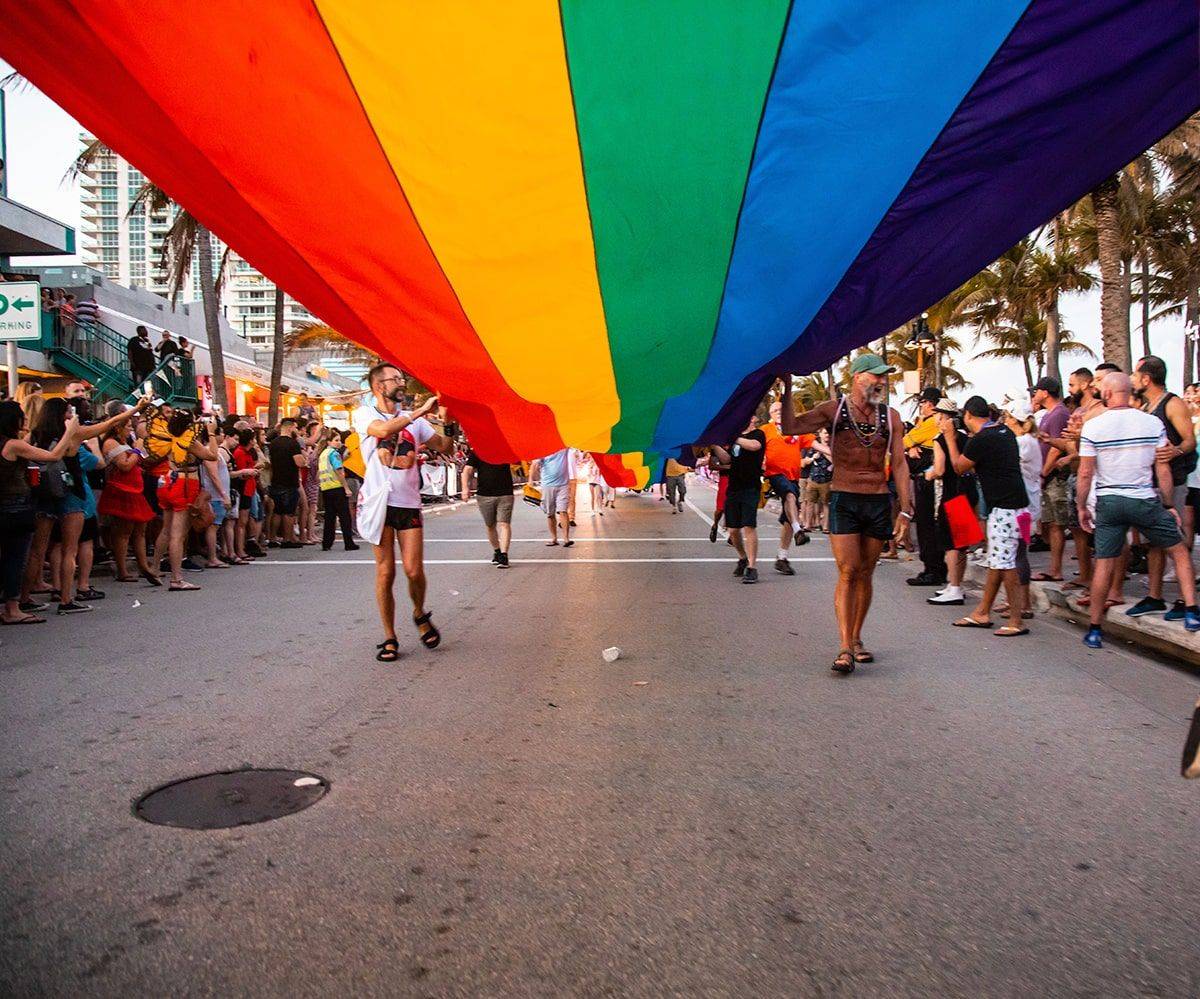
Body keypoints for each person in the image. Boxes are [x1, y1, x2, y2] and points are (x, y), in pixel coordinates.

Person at [782, 355, 913, 670]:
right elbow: (791, 426)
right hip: (844, 498)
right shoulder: (834, 410)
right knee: (848, 571)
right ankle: (843, 646)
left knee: (866, 573)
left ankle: (856, 638)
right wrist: (786, 389)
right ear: (857, 377)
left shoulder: (891, 416)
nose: (882, 381)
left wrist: (906, 511)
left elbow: (899, 464)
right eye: (876, 376)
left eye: (884, 377)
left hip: (878, 501)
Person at [1076, 372, 1200, 647]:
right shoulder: (1152, 423)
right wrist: (1168, 504)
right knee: (1179, 551)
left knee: (1104, 564)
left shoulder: (1094, 427)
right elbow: (1162, 468)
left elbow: (1085, 473)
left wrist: (1081, 506)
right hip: (1144, 498)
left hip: (1109, 500)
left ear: (1107, 394)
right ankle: (1191, 611)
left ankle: (1095, 629)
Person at [354, 363, 450, 662]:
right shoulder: (364, 413)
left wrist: (445, 421)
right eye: (393, 379)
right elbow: (381, 430)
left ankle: (420, 613)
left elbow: (443, 445)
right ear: (378, 387)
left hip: (408, 502)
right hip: (378, 503)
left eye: (400, 377)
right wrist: (420, 412)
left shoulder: (416, 423)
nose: (400, 382)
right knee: (386, 572)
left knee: (413, 570)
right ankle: (389, 636)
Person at [942, 396, 1032, 637]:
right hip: (1020, 506)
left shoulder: (982, 439)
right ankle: (982, 612)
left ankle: (1016, 620)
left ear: (969, 416)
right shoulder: (1004, 431)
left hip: (1004, 510)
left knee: (1006, 564)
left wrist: (951, 439)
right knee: (998, 561)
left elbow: (959, 467)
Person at [1127, 355, 1197, 618]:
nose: (1133, 379)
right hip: (1151, 485)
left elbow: (1189, 440)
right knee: (1153, 543)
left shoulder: (1172, 403)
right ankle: (1154, 596)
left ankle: (1183, 600)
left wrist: (1175, 451)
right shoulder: (1147, 406)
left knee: (1175, 541)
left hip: (1174, 482)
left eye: (1135, 374)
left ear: (1147, 378)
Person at [0, 401, 77, 624]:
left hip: (6, 505)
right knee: (15, 559)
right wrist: (70, 431)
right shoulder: (13, 445)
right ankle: (12, 608)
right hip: (15, 506)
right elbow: (52, 456)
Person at [925, 398, 976, 607]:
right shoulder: (965, 438)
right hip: (967, 491)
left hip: (951, 492)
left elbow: (940, 469)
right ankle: (956, 584)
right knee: (962, 542)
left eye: (937, 414)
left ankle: (954, 587)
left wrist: (928, 475)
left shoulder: (940, 439)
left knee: (951, 543)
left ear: (942, 416)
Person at [98, 422, 160, 585]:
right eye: (128, 427)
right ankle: (122, 570)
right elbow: (124, 465)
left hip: (135, 490)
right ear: (118, 428)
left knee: (140, 530)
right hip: (121, 490)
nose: (131, 429)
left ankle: (144, 566)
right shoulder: (111, 442)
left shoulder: (126, 443)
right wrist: (137, 449)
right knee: (124, 532)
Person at [904, 387, 947, 587]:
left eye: (922, 403)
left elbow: (905, 440)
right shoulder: (927, 422)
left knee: (927, 526)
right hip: (925, 480)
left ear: (929, 404)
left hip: (928, 480)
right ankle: (931, 567)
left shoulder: (931, 423)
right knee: (926, 524)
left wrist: (911, 445)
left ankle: (933, 569)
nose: (921, 407)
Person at [761, 400, 810, 575]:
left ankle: (782, 558)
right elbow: (758, 449)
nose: (779, 412)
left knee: (790, 517)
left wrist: (832, 454)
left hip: (793, 476)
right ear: (770, 415)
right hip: (775, 474)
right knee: (789, 496)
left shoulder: (795, 428)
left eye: (781, 409)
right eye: (774, 410)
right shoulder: (766, 430)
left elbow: (814, 444)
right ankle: (799, 530)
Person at [1031, 376, 1071, 581]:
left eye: (1037, 390)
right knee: (1048, 523)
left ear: (1045, 392)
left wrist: (1044, 473)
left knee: (1056, 524)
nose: (1035, 394)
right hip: (1046, 475)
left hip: (1054, 476)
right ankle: (1053, 567)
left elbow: (1057, 447)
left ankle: (1056, 569)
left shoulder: (1059, 414)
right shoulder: (1049, 414)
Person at [724, 414, 766, 584]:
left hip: (750, 487)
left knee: (749, 526)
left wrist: (733, 437)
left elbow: (755, 446)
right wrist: (714, 443)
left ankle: (752, 567)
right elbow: (727, 459)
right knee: (733, 530)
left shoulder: (758, 434)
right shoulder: (735, 438)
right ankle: (742, 558)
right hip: (733, 487)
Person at [462, 448, 515, 567]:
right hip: (484, 494)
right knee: (490, 525)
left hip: (505, 493)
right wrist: (465, 488)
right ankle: (497, 551)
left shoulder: (506, 448)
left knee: (504, 524)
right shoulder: (477, 450)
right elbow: (467, 469)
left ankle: (504, 555)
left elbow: (518, 460)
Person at [268, 418, 306, 548]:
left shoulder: (273, 443)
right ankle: (287, 538)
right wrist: (303, 458)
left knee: (277, 511)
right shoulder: (293, 443)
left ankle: (272, 538)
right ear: (290, 428)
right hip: (289, 480)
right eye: (295, 428)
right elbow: (299, 462)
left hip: (276, 479)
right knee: (289, 512)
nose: (296, 430)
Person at [318, 428, 358, 551]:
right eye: (336, 440)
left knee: (330, 516)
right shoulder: (334, 454)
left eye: (339, 440)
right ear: (329, 442)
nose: (339, 442)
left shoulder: (323, 453)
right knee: (344, 516)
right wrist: (346, 488)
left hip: (326, 487)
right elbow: (339, 471)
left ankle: (327, 543)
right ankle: (349, 543)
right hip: (336, 486)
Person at [529, 448, 576, 548]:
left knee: (563, 511)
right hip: (547, 485)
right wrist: (530, 480)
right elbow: (534, 464)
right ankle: (554, 538)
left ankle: (566, 538)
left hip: (563, 485)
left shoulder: (564, 447)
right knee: (550, 514)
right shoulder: (543, 448)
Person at [803, 428, 833, 532]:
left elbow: (835, 461)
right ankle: (807, 525)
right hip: (813, 478)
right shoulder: (813, 447)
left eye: (828, 433)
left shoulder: (832, 447)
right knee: (810, 502)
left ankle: (825, 526)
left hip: (826, 480)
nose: (827, 435)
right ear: (819, 434)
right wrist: (812, 458)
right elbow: (804, 462)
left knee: (826, 503)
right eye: (825, 433)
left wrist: (823, 451)